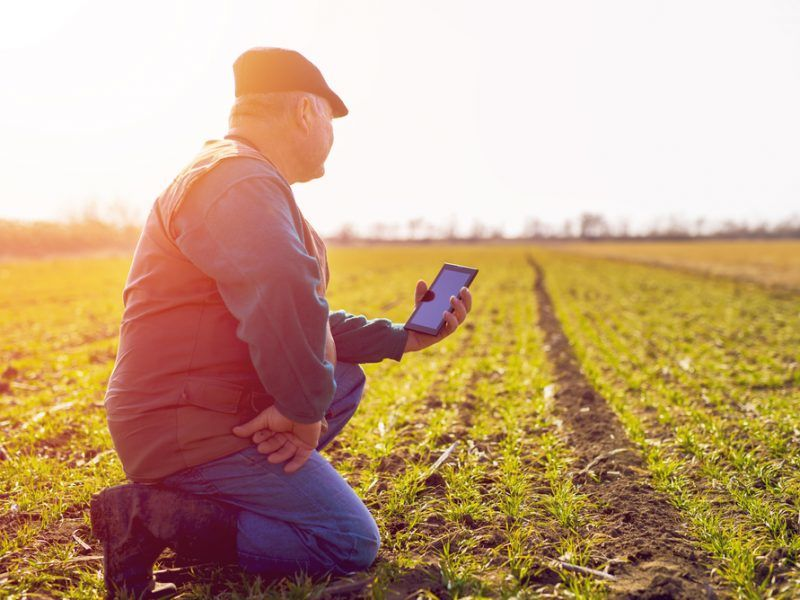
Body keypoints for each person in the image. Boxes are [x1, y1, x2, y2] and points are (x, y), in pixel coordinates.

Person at [89, 47, 473, 599]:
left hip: (201, 404)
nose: (332, 139)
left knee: (342, 380)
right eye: (331, 122)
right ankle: (154, 516)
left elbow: (302, 313)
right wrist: (299, 410)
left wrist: (405, 337)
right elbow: (282, 292)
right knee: (345, 540)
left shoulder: (244, 178)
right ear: (304, 113)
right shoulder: (236, 181)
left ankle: (218, 505)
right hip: (182, 420)